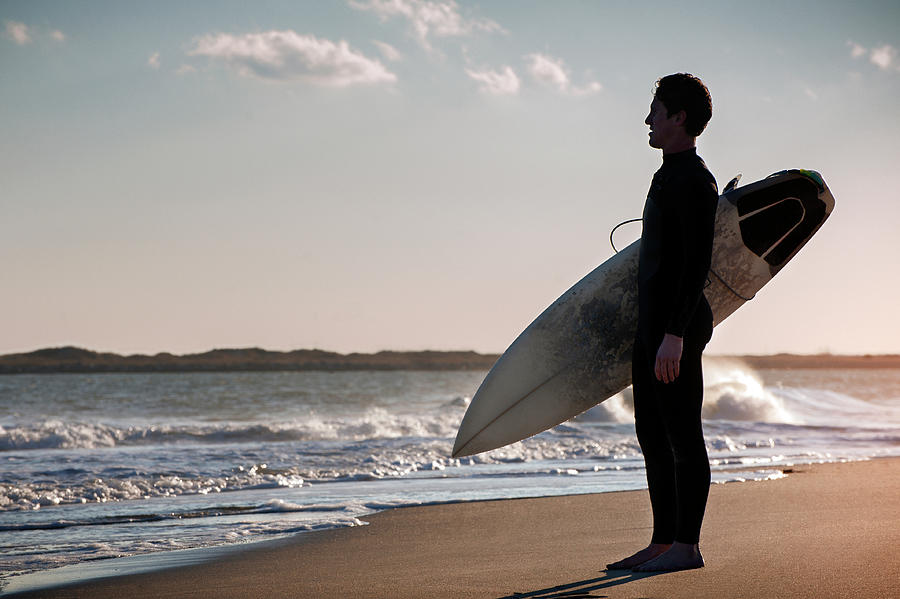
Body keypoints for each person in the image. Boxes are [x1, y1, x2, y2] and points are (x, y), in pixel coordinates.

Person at [607, 73, 718, 572]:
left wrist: (674, 334)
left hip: (677, 329)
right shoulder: (666, 174)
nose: (647, 119)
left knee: (681, 436)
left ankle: (687, 546)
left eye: (655, 109)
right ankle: (662, 540)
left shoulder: (695, 180)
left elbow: (696, 264)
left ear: (678, 117)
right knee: (652, 434)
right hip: (652, 329)